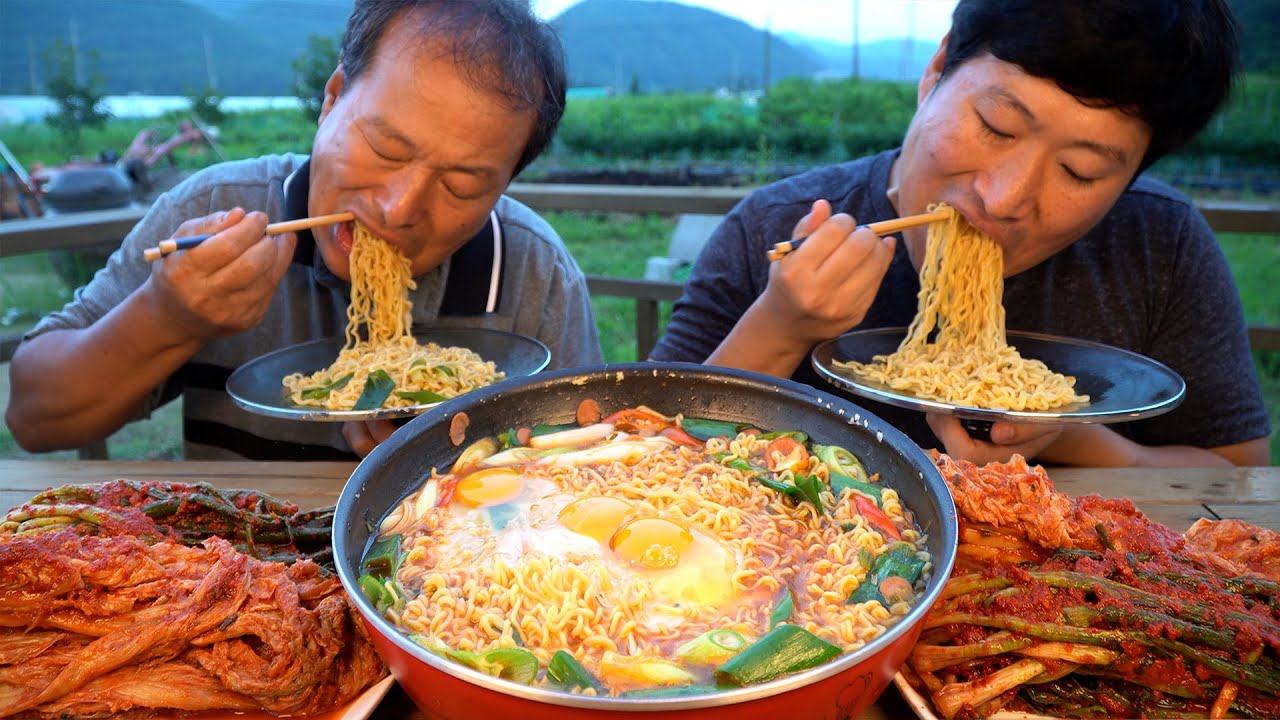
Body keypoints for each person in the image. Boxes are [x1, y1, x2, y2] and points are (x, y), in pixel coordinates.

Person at [651, 0, 1270, 468]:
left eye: (1080, 171)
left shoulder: (1160, 246)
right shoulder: (770, 224)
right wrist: (781, 325)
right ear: (937, 71)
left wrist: (1075, 434)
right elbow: (642, 448)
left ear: (1132, 175)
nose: (1004, 198)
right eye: (997, 125)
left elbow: (1237, 474)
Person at [5, 0, 602, 460]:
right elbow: (34, 416)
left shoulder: (531, 268)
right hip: (229, 577)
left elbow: (583, 459)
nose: (398, 209)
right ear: (333, 98)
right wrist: (170, 317)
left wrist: (462, 451)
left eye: (463, 186)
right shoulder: (218, 209)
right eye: (385, 147)